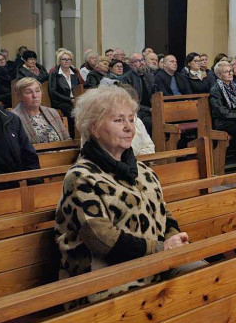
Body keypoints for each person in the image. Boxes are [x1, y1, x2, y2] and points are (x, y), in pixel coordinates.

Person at [54, 86, 188, 282]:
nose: (129, 127)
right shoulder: (81, 177)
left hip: (155, 265)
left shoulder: (143, 171)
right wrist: (161, 248)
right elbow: (102, 239)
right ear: (93, 128)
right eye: (119, 120)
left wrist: (174, 239)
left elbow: (163, 212)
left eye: (131, 120)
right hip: (108, 278)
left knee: (210, 276)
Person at [12, 77, 71, 144]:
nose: (35, 95)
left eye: (37, 91)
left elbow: (67, 140)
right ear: (19, 96)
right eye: (28, 92)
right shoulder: (14, 117)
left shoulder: (52, 112)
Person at [209, 59, 236, 141]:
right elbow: (222, 112)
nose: (231, 73)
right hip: (223, 122)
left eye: (231, 70)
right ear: (219, 75)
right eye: (226, 72)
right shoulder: (215, 90)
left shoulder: (234, 86)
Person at [48, 48, 81, 127]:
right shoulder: (54, 74)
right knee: (72, 112)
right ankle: (73, 135)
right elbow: (53, 92)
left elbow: (79, 88)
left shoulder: (75, 73)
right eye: (64, 59)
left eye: (69, 59)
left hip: (74, 100)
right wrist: (70, 100)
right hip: (60, 101)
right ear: (59, 61)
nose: (67, 61)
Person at [123, 52, 155, 132]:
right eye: (137, 61)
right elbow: (130, 101)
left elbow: (155, 94)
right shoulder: (127, 78)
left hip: (152, 109)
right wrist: (148, 109)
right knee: (149, 123)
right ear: (131, 65)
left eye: (142, 60)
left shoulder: (149, 76)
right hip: (137, 111)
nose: (141, 63)